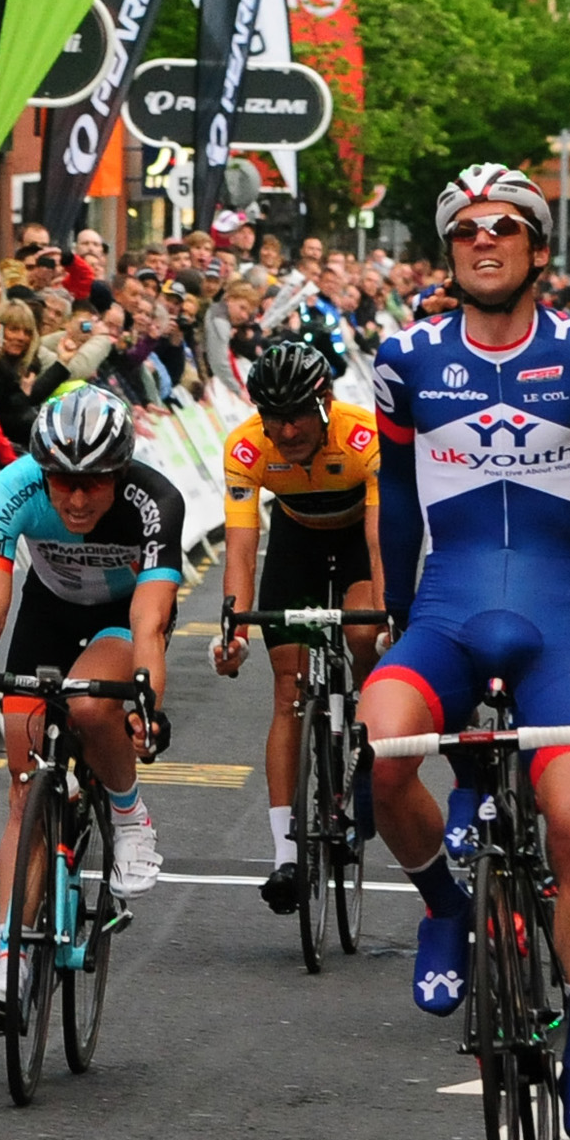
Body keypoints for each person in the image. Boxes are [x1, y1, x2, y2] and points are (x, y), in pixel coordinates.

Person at [359, 162, 570, 1140]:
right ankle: (442, 907)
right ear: (449, 251)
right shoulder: (403, 358)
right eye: (467, 229)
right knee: (381, 753)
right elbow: (395, 494)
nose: (485, 241)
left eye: (505, 227)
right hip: (446, 609)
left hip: (555, 622)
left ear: (534, 246)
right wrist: (395, 608)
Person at [0, 388, 179, 1030]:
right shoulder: (11, 490)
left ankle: (129, 814)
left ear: (119, 472)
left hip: (122, 622)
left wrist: (146, 705)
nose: (74, 499)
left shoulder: (154, 502)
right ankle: (10, 966)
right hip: (48, 612)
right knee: (23, 785)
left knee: (93, 709)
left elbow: (151, 623)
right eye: (61, 482)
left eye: (92, 484)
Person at [210, 343, 385, 915]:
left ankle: (365, 734)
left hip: (360, 540)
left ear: (325, 401)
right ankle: (285, 852)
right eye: (272, 417)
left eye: (297, 416)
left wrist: (389, 619)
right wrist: (232, 625)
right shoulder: (245, 446)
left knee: (364, 635)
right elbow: (241, 548)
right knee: (287, 690)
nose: (284, 432)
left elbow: (384, 543)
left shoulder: (365, 436)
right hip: (297, 542)